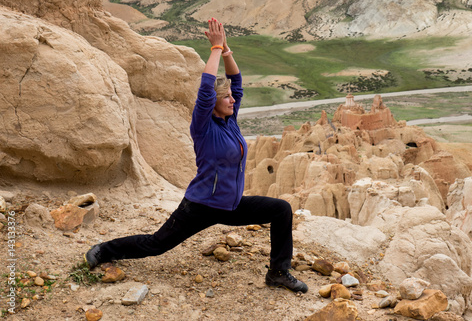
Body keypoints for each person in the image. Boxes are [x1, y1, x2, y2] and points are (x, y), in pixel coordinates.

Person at [84, 18, 308, 293]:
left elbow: (236, 82)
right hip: (201, 205)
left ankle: (278, 272)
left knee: (281, 210)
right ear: (213, 103)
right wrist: (214, 49)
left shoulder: (230, 121)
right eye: (226, 98)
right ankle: (104, 250)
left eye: (232, 98)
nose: (233, 100)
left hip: (232, 205)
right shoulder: (203, 127)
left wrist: (226, 51)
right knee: (156, 244)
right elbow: (205, 90)